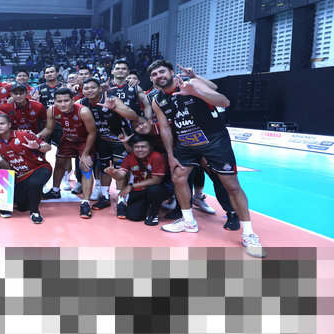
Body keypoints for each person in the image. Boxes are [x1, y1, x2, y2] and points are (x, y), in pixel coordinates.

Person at [148, 60, 265, 257]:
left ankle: (249, 233)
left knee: (231, 185)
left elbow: (224, 102)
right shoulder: (157, 100)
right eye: (154, 74)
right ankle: (188, 221)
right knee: (178, 177)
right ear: (152, 79)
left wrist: (196, 93)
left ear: (171, 72)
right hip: (186, 143)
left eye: (162, 72)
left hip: (214, 141)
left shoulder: (192, 84)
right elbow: (165, 128)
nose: (159, 76)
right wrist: (170, 155)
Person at [79, 78, 139, 209]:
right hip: (102, 140)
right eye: (86, 88)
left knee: (119, 168)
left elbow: (134, 116)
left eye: (93, 87)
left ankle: (121, 201)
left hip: (120, 140)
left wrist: (115, 108)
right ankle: (105, 197)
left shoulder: (112, 99)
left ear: (100, 88)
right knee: (105, 168)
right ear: (82, 91)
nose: (89, 90)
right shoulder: (82, 103)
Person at [37, 88, 97, 219]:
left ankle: (85, 202)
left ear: (73, 100)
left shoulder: (83, 111)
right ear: (54, 101)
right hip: (68, 139)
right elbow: (49, 128)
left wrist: (85, 154)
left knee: (86, 167)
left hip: (84, 141)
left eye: (66, 100)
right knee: (59, 163)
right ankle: (55, 191)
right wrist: (36, 137)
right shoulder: (52, 110)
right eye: (59, 101)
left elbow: (92, 133)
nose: (63, 104)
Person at [0, 114, 52, 223]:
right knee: (22, 207)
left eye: (2, 123)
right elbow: (5, 166)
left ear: (9, 124)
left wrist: (37, 147)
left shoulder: (24, 135)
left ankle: (34, 212)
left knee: (35, 183)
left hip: (39, 168)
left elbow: (48, 147)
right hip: (20, 176)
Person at [104, 135, 172, 225]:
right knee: (133, 216)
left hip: (160, 188)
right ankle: (145, 206)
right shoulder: (129, 158)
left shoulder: (157, 157)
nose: (140, 150)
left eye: (143, 147)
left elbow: (156, 180)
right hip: (140, 189)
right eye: (136, 147)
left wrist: (131, 186)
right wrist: (112, 173)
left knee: (154, 190)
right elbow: (120, 176)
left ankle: (153, 214)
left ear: (151, 147)